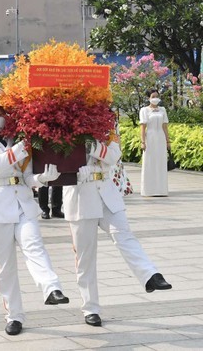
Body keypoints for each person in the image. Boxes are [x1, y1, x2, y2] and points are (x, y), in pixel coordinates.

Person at [0, 88, 69, 335]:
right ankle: (14, 315)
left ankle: (51, 288)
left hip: (23, 202)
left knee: (34, 245)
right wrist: (25, 146)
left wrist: (44, 178)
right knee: (5, 267)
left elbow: (26, 177)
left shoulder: (19, 141)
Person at [63, 135, 172, 327]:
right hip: (81, 196)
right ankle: (91, 308)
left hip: (106, 192)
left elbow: (114, 155)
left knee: (124, 235)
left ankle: (150, 276)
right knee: (85, 258)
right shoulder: (65, 131)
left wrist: (92, 144)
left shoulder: (104, 128)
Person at [140, 89, 170, 196]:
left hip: (160, 137)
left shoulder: (162, 109)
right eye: (153, 96)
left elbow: (165, 126)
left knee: (160, 162)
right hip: (150, 137)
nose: (155, 98)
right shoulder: (144, 110)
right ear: (148, 98)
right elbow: (143, 128)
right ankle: (149, 190)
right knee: (150, 162)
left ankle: (161, 190)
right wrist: (143, 142)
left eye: (157, 96)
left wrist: (168, 141)